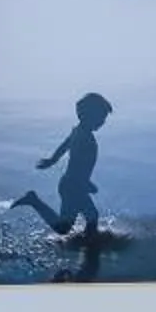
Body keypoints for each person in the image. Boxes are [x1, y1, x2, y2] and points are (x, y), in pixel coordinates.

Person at [15, 91, 112, 241]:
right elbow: (78, 165)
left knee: (92, 216)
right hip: (73, 187)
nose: (103, 122)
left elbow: (65, 146)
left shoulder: (78, 131)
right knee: (64, 228)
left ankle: (89, 241)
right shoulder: (85, 139)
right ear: (88, 116)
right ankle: (34, 201)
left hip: (73, 184)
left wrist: (53, 160)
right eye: (101, 118)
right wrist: (86, 184)